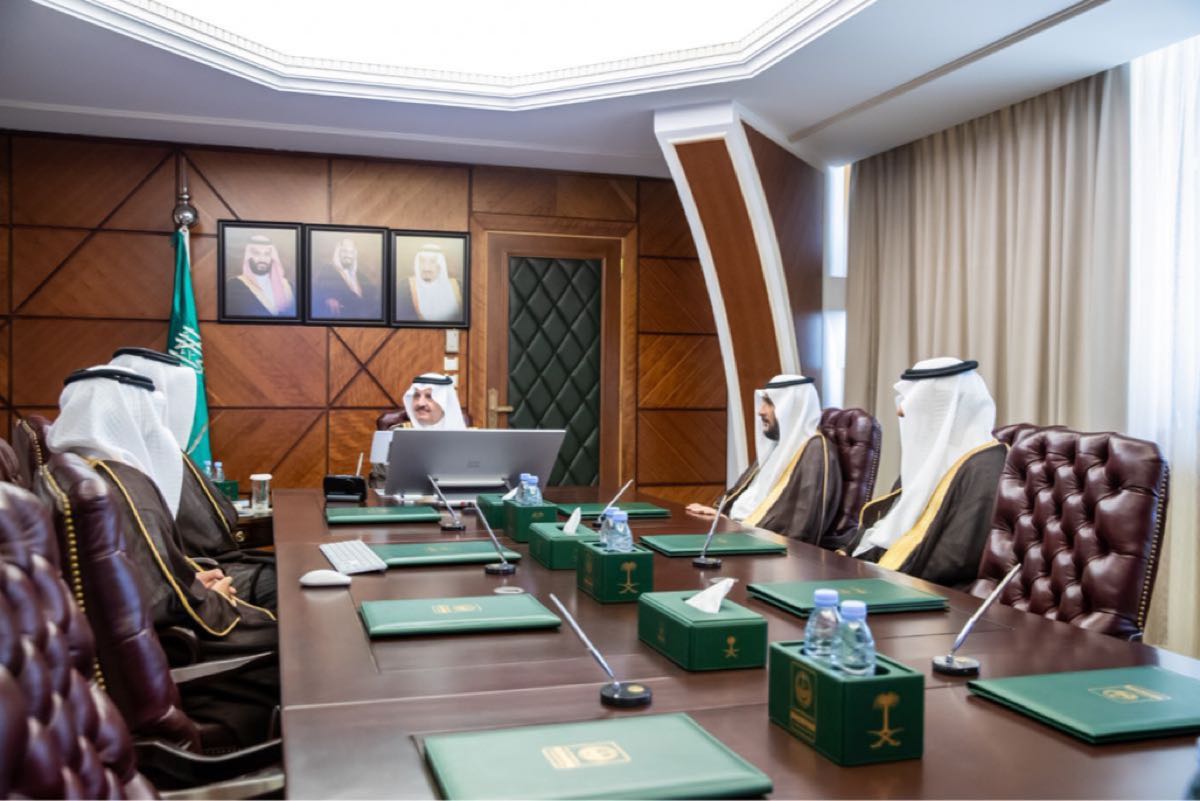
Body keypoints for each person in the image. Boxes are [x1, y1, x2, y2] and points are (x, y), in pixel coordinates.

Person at [45, 366, 277, 653]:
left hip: (150, 618)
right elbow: (156, 602)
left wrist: (190, 582)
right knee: (302, 617)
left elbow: (140, 579)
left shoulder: (70, 472)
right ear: (128, 415)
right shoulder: (121, 484)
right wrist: (210, 598)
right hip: (182, 638)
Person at [110, 347, 276, 609]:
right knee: (289, 581)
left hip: (193, 577)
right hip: (188, 587)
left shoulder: (160, 455)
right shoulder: (127, 470)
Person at [842, 357, 1006, 589]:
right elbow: (890, 523)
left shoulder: (986, 466)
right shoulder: (932, 459)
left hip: (931, 594)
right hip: (886, 577)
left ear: (942, 407)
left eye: (913, 402)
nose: (900, 410)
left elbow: (953, 560)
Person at [686, 375, 841, 546]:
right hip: (738, 535)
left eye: (770, 403)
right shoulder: (776, 447)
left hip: (764, 548)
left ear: (792, 407)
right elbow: (744, 499)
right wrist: (718, 514)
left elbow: (801, 528)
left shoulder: (815, 451)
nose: (761, 411)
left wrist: (736, 529)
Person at [224, 233, 295, 317]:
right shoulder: (234, 285)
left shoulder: (288, 286)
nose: (262, 259)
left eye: (267, 254)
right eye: (256, 253)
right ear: (248, 256)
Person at [311, 237, 380, 319]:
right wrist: (327, 299)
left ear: (355, 254)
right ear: (337, 252)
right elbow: (317, 293)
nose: (348, 255)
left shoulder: (361, 276)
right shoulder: (327, 271)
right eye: (344, 251)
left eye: (351, 252)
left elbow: (373, 297)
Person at [394, 245, 463, 322]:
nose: (426, 268)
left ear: (440, 265)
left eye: (433, 261)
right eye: (422, 261)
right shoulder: (405, 287)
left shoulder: (457, 286)